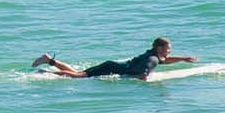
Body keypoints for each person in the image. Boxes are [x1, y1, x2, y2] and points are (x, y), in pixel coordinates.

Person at [31, 37, 195, 80]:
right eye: (168, 49)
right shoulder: (152, 59)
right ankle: (46, 73)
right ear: (159, 48)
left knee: (78, 73)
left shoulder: (153, 54)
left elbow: (165, 61)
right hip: (112, 68)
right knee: (79, 76)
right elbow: (143, 76)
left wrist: (183, 59)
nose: (169, 51)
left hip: (113, 65)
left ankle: (49, 60)